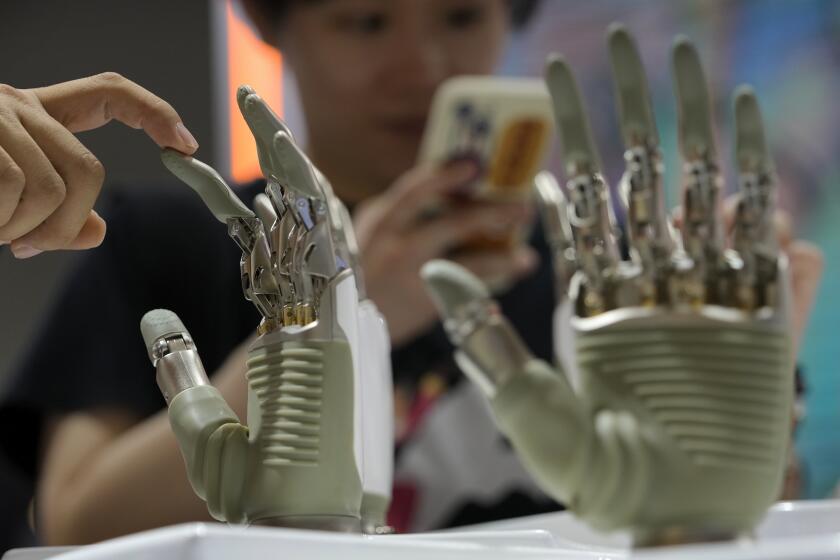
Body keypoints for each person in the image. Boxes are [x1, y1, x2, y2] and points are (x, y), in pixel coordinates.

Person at [0, 0, 823, 547]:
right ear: (274, 26)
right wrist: (342, 314)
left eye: (463, 15)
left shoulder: (602, 276)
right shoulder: (171, 239)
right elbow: (75, 526)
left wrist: (756, 402)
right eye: (365, 22)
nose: (422, 62)